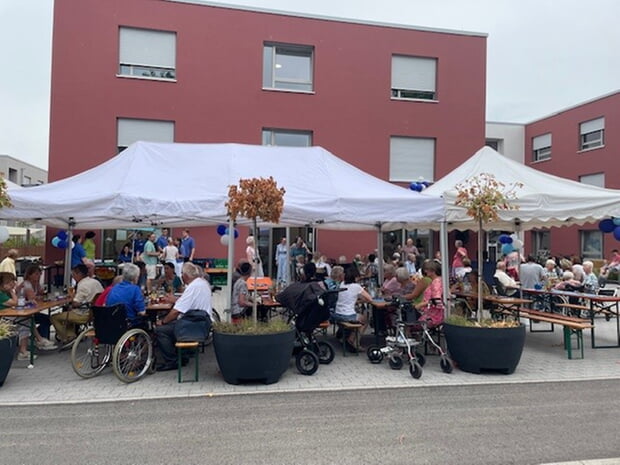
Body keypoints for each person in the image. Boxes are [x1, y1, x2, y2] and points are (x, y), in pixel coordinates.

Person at [155, 262, 212, 371]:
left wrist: (163, 321)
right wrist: (176, 300)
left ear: (185, 276)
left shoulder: (193, 287)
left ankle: (172, 361)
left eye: (182, 274)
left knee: (161, 330)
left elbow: (176, 311)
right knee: (171, 324)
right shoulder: (202, 283)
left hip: (194, 324)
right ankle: (182, 356)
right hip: (201, 321)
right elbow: (189, 303)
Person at [51, 264, 104, 344]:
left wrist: (71, 296)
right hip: (96, 312)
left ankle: (68, 337)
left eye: (73, 275)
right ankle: (71, 334)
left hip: (84, 314)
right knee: (67, 313)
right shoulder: (95, 282)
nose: (73, 277)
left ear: (79, 274)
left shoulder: (82, 285)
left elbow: (75, 304)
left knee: (54, 317)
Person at [16, 265, 57, 350]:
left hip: (30, 310)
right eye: (36, 274)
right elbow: (32, 298)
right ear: (29, 275)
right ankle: (40, 340)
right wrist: (39, 296)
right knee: (43, 319)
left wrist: (40, 292)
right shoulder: (26, 284)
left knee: (47, 319)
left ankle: (40, 339)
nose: (38, 276)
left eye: (39, 274)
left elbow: (40, 295)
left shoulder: (35, 284)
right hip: (21, 312)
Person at [332, 266, 371, 352]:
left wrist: (356, 300)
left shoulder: (342, 284)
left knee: (357, 316)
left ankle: (346, 337)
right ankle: (354, 341)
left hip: (337, 314)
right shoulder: (356, 286)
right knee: (365, 320)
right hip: (347, 315)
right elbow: (369, 298)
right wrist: (361, 301)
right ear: (355, 277)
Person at [0, 272, 37, 361]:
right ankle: (23, 351)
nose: (14, 283)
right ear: (5, 283)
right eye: (12, 282)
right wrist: (11, 291)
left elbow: (17, 302)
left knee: (27, 319)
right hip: (3, 319)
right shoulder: (1, 294)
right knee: (26, 320)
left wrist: (27, 302)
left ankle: (27, 348)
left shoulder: (3, 292)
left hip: (8, 316)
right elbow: (15, 302)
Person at [105, 263, 146, 328]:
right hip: (128, 324)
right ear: (135, 278)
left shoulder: (114, 288)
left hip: (111, 323)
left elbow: (106, 304)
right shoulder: (135, 289)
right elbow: (141, 312)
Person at [414, 260, 444, 326]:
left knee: (408, 320)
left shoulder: (436, 283)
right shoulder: (439, 280)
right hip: (433, 313)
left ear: (433, 271)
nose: (425, 271)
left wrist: (420, 305)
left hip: (433, 316)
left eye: (427, 269)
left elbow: (436, 300)